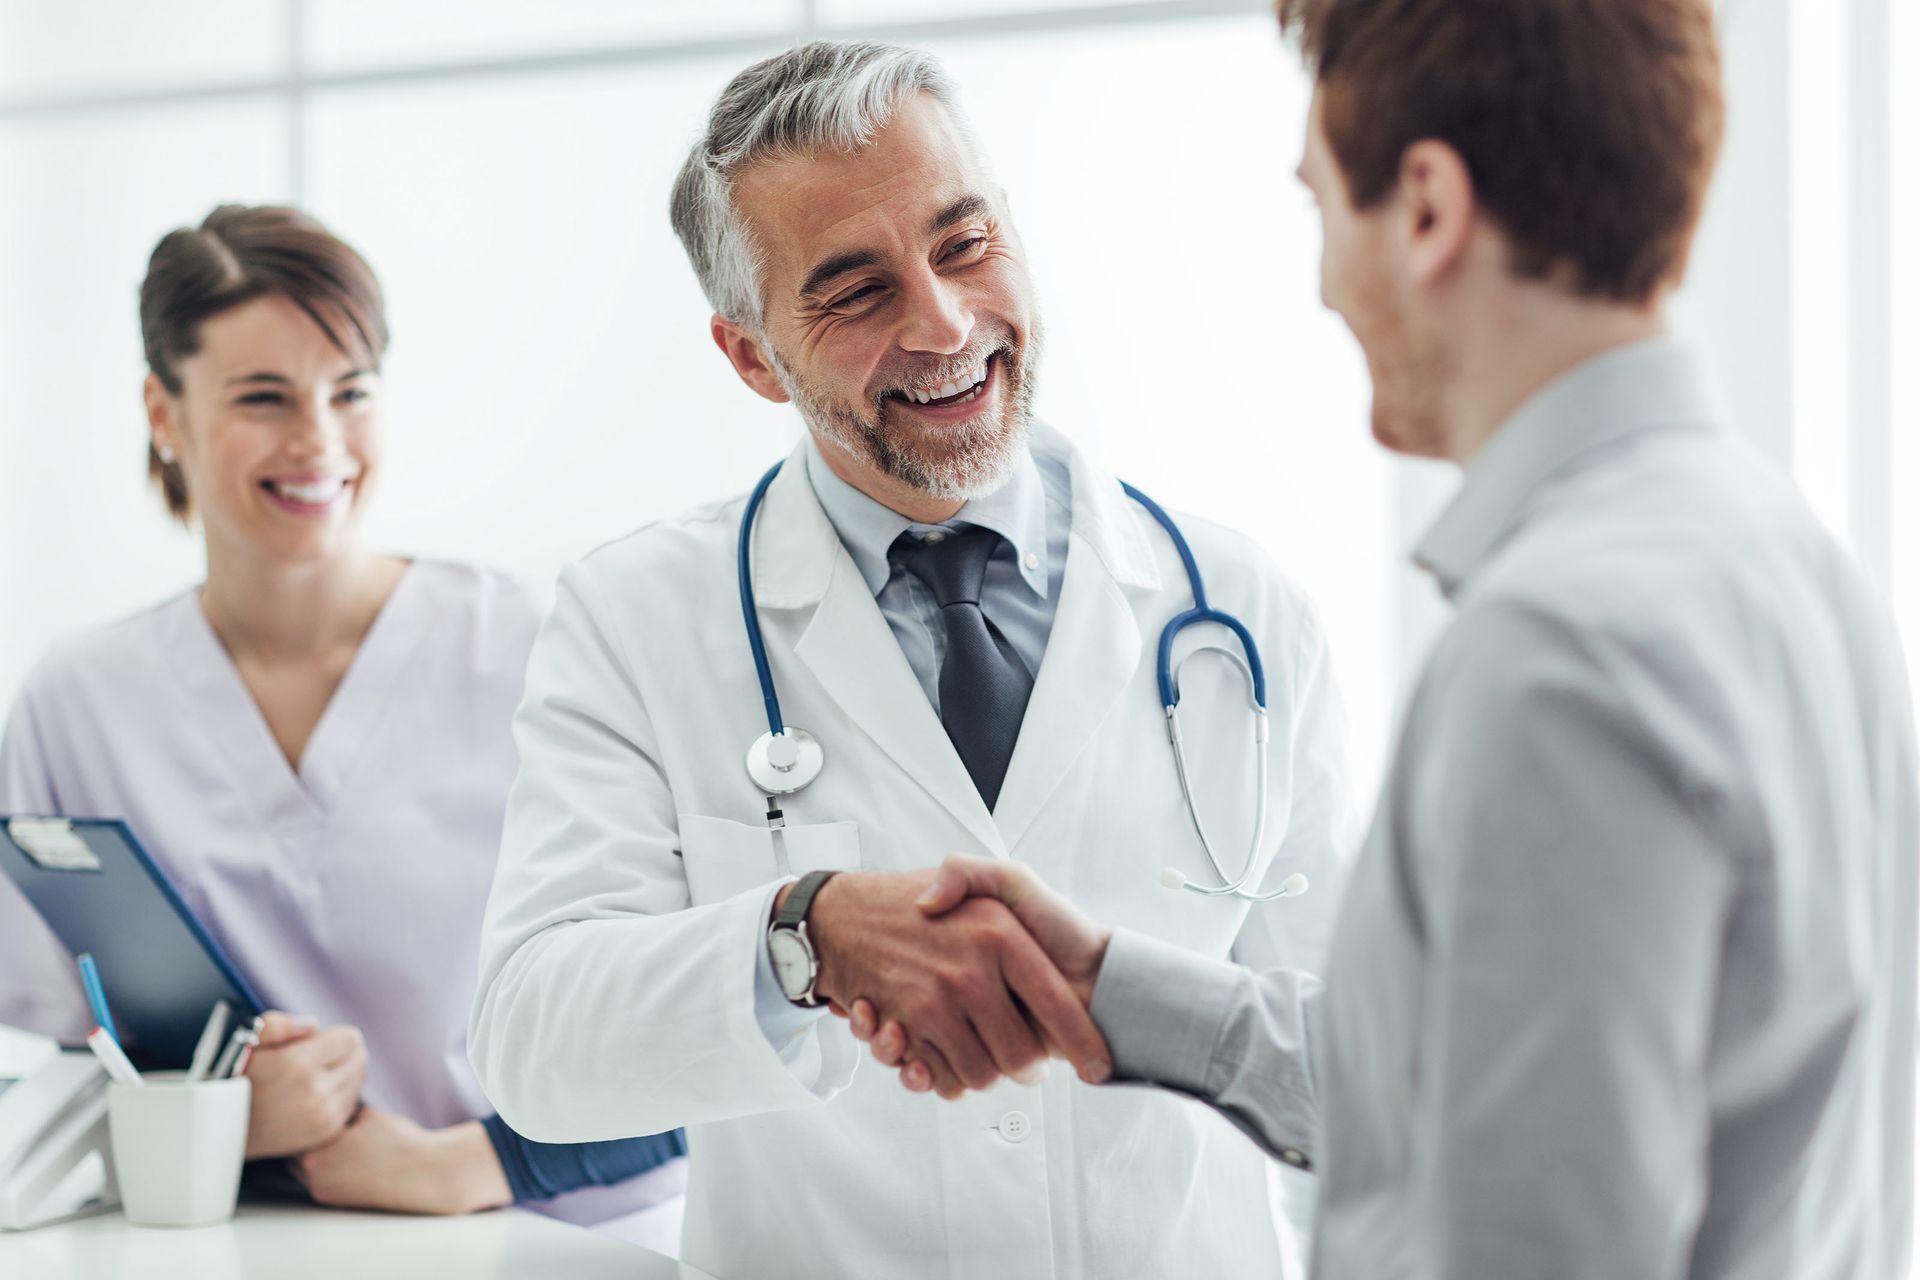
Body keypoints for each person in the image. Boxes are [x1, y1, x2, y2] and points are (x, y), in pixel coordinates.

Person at [852, 1, 1920, 1277]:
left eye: (1322, 209)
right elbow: (1472, 1086)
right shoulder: (1777, 549)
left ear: (1425, 207)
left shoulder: (1557, 655)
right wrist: (1106, 987)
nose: (1323, 285)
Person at [468, 39, 1356, 1280]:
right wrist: (803, 934)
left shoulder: (1241, 609)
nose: (942, 321)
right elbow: (531, 1042)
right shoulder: (636, 617)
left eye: (965, 242)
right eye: (854, 290)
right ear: (748, 353)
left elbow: (1349, 1063)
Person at [0, 205, 686, 1241]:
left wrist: (475, 1160)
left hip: (551, 1236)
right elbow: (40, 1072)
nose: (317, 440)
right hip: (248, 1246)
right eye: (264, 397)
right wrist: (216, 1115)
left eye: (350, 392)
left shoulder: (531, 646)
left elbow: (713, 1017)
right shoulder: (77, 700)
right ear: (163, 410)